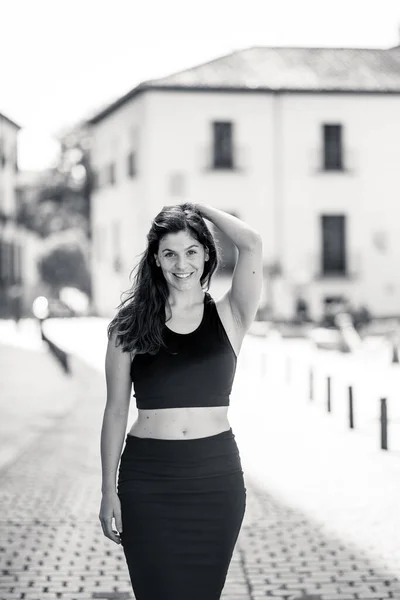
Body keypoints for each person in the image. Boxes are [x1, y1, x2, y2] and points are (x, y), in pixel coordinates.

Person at [99, 202, 263, 600]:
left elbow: (253, 244)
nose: (181, 264)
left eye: (192, 251)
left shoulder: (231, 315)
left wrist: (198, 210)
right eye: (169, 253)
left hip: (214, 478)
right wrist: (108, 489)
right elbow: (116, 410)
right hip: (147, 480)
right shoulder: (128, 326)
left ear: (207, 253)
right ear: (156, 259)